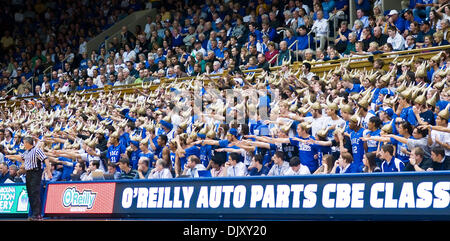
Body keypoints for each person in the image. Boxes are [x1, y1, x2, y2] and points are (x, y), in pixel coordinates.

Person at [5, 136, 52, 221]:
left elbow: (46, 159)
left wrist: (48, 172)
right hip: (29, 173)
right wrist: (10, 156)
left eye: (24, 142)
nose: (23, 144)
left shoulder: (37, 150)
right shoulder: (26, 152)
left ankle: (37, 214)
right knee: (30, 193)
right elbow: (20, 158)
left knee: (35, 192)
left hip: (36, 172)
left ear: (27, 143)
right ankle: (34, 213)